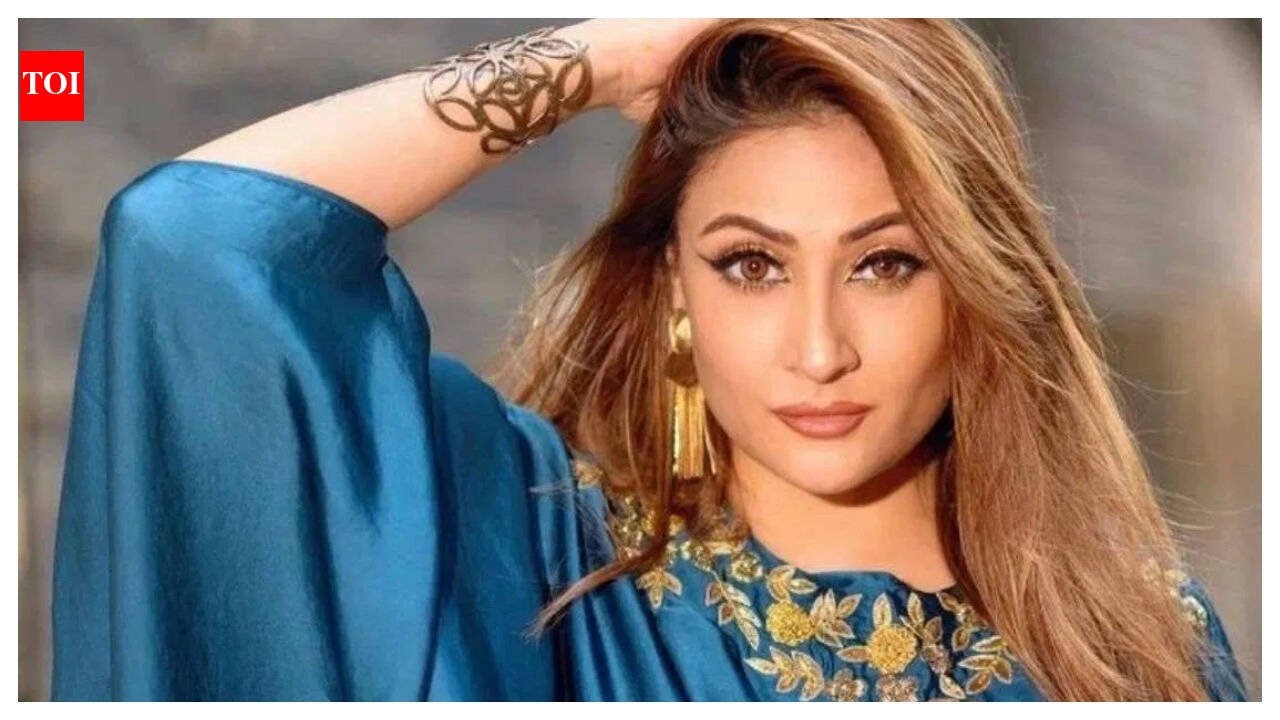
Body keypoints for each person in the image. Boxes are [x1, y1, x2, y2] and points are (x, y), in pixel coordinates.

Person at [50, 18, 1248, 701]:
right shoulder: (528, 563)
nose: (817, 349)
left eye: (886, 264)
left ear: (974, 288)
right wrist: (606, 57)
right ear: (674, 287)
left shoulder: (1140, 638)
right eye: (750, 264)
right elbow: (197, 239)